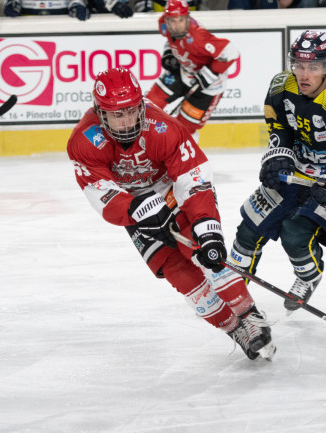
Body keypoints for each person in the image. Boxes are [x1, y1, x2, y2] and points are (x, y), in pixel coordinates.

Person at [67, 67, 275, 360]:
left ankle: (249, 314)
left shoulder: (163, 126)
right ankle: (232, 327)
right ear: (100, 113)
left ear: (141, 105)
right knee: (177, 272)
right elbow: (101, 193)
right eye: (117, 115)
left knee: (206, 252)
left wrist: (206, 227)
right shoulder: (84, 141)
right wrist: (137, 211)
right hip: (133, 203)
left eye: (131, 111)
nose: (126, 122)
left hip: (172, 189)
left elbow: (193, 177)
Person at [221, 30, 326, 312]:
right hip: (297, 171)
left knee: (295, 234)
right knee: (248, 229)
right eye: (299, 65)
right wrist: (277, 156)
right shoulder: (282, 86)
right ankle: (232, 285)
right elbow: (279, 126)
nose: (304, 74)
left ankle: (308, 277)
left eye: (313, 67)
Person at [145, 0, 238, 139]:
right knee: (148, 106)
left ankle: (185, 159)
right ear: (166, 19)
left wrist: (208, 76)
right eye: (173, 21)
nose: (177, 26)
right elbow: (171, 41)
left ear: (188, 18)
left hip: (209, 87)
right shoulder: (163, 24)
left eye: (181, 20)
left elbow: (231, 52)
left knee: (184, 129)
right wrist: (169, 54)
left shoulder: (198, 37)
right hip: (183, 72)